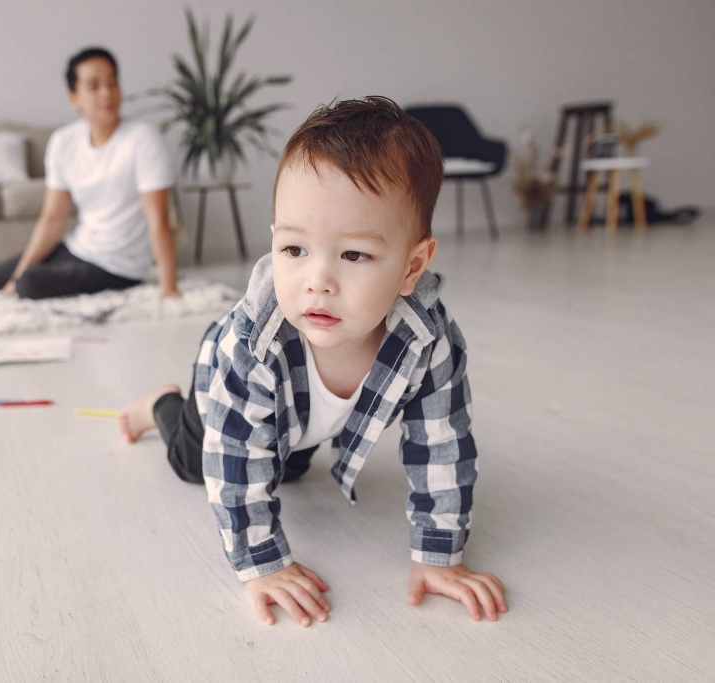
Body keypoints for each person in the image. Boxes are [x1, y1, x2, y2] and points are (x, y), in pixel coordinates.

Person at [118, 97, 507, 627]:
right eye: (294, 249)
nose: (316, 280)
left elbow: (443, 445)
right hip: (223, 397)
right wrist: (262, 566)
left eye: (353, 255)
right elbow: (235, 462)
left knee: (291, 467)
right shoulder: (254, 342)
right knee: (195, 463)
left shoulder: (428, 341)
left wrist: (440, 555)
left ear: (412, 266)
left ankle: (284, 443)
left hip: (299, 423)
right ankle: (160, 404)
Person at [0, 47, 180, 299]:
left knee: (29, 284)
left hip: (118, 265)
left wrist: (169, 287)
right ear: (74, 97)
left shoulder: (143, 138)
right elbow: (52, 218)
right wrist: (17, 274)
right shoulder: (64, 141)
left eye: (112, 82)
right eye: (94, 86)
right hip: (79, 248)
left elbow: (158, 217)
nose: (107, 92)